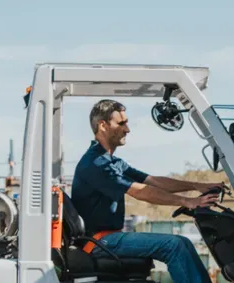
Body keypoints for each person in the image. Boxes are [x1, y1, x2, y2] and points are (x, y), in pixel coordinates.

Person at [71, 99, 225, 283]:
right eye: (121, 123)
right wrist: (187, 201)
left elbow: (153, 181)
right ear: (103, 125)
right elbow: (140, 191)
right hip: (99, 241)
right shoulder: (97, 164)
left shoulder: (113, 162)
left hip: (110, 237)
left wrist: (196, 186)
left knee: (182, 243)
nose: (127, 129)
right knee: (174, 245)